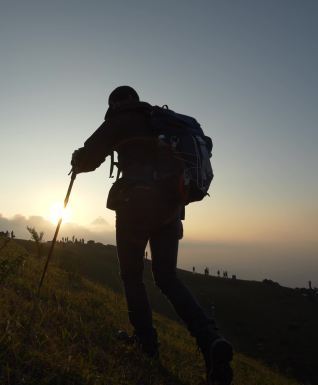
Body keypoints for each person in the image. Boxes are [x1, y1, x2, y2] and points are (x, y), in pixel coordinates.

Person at [70, 86, 233, 385]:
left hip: (136, 206)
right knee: (167, 277)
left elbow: (89, 158)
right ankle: (210, 341)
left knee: (132, 276)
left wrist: (77, 159)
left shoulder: (121, 119)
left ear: (116, 102)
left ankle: (147, 344)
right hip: (171, 210)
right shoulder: (164, 121)